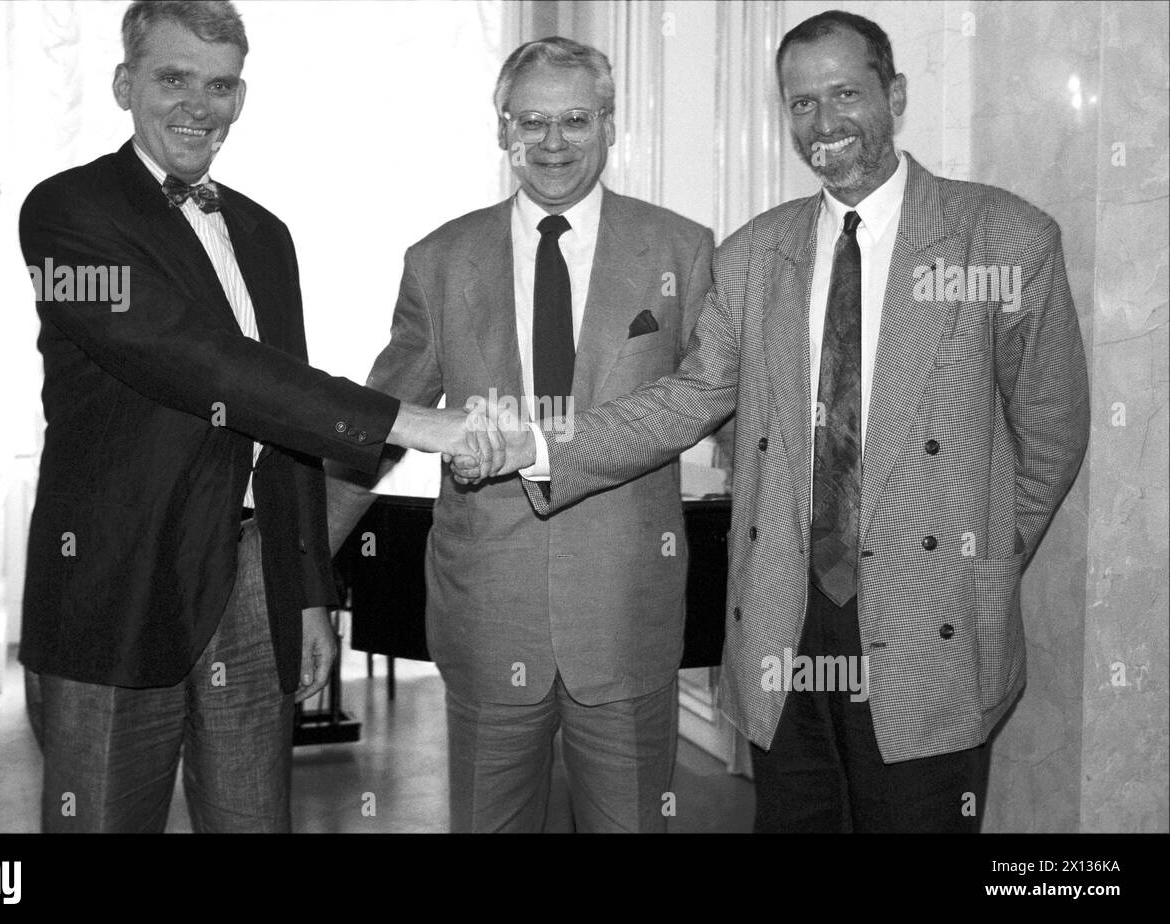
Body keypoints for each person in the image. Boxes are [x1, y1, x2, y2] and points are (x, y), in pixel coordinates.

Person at [459, 11, 1090, 833]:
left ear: (893, 95)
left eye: (844, 94)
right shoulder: (757, 254)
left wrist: (988, 558)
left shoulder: (1002, 238)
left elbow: (1052, 427)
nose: (823, 124)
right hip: (783, 622)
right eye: (800, 104)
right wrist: (538, 444)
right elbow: (687, 398)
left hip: (932, 622)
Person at [19, 0, 486, 833]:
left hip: (250, 586)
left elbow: (281, 425)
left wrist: (306, 593)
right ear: (125, 83)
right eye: (173, 79)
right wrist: (406, 422)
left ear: (242, 96)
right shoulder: (64, 213)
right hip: (117, 585)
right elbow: (189, 355)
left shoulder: (266, 235)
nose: (200, 105)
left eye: (221, 85)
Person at [326, 36, 714, 833]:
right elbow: (378, 423)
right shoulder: (439, 260)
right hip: (485, 619)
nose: (552, 143)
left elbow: (716, 405)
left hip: (626, 619)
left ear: (610, 123)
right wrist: (302, 569)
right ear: (500, 128)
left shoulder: (681, 251)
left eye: (575, 119)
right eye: (529, 121)